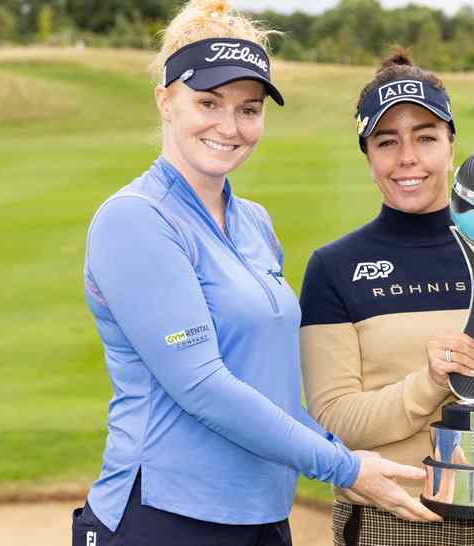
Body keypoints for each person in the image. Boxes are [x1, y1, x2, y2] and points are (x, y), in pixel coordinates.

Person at [72, 3, 439, 545]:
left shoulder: (254, 223)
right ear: (165, 101)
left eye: (249, 109)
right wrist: (344, 467)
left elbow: (270, 386)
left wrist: (339, 454)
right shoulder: (135, 219)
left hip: (262, 517)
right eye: (208, 103)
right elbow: (202, 385)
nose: (229, 126)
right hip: (164, 515)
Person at [298, 50, 474, 546]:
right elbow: (336, 423)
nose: (407, 157)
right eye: (387, 141)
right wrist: (431, 382)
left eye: (426, 137)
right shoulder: (334, 267)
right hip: (394, 521)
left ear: (452, 146)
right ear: (367, 155)